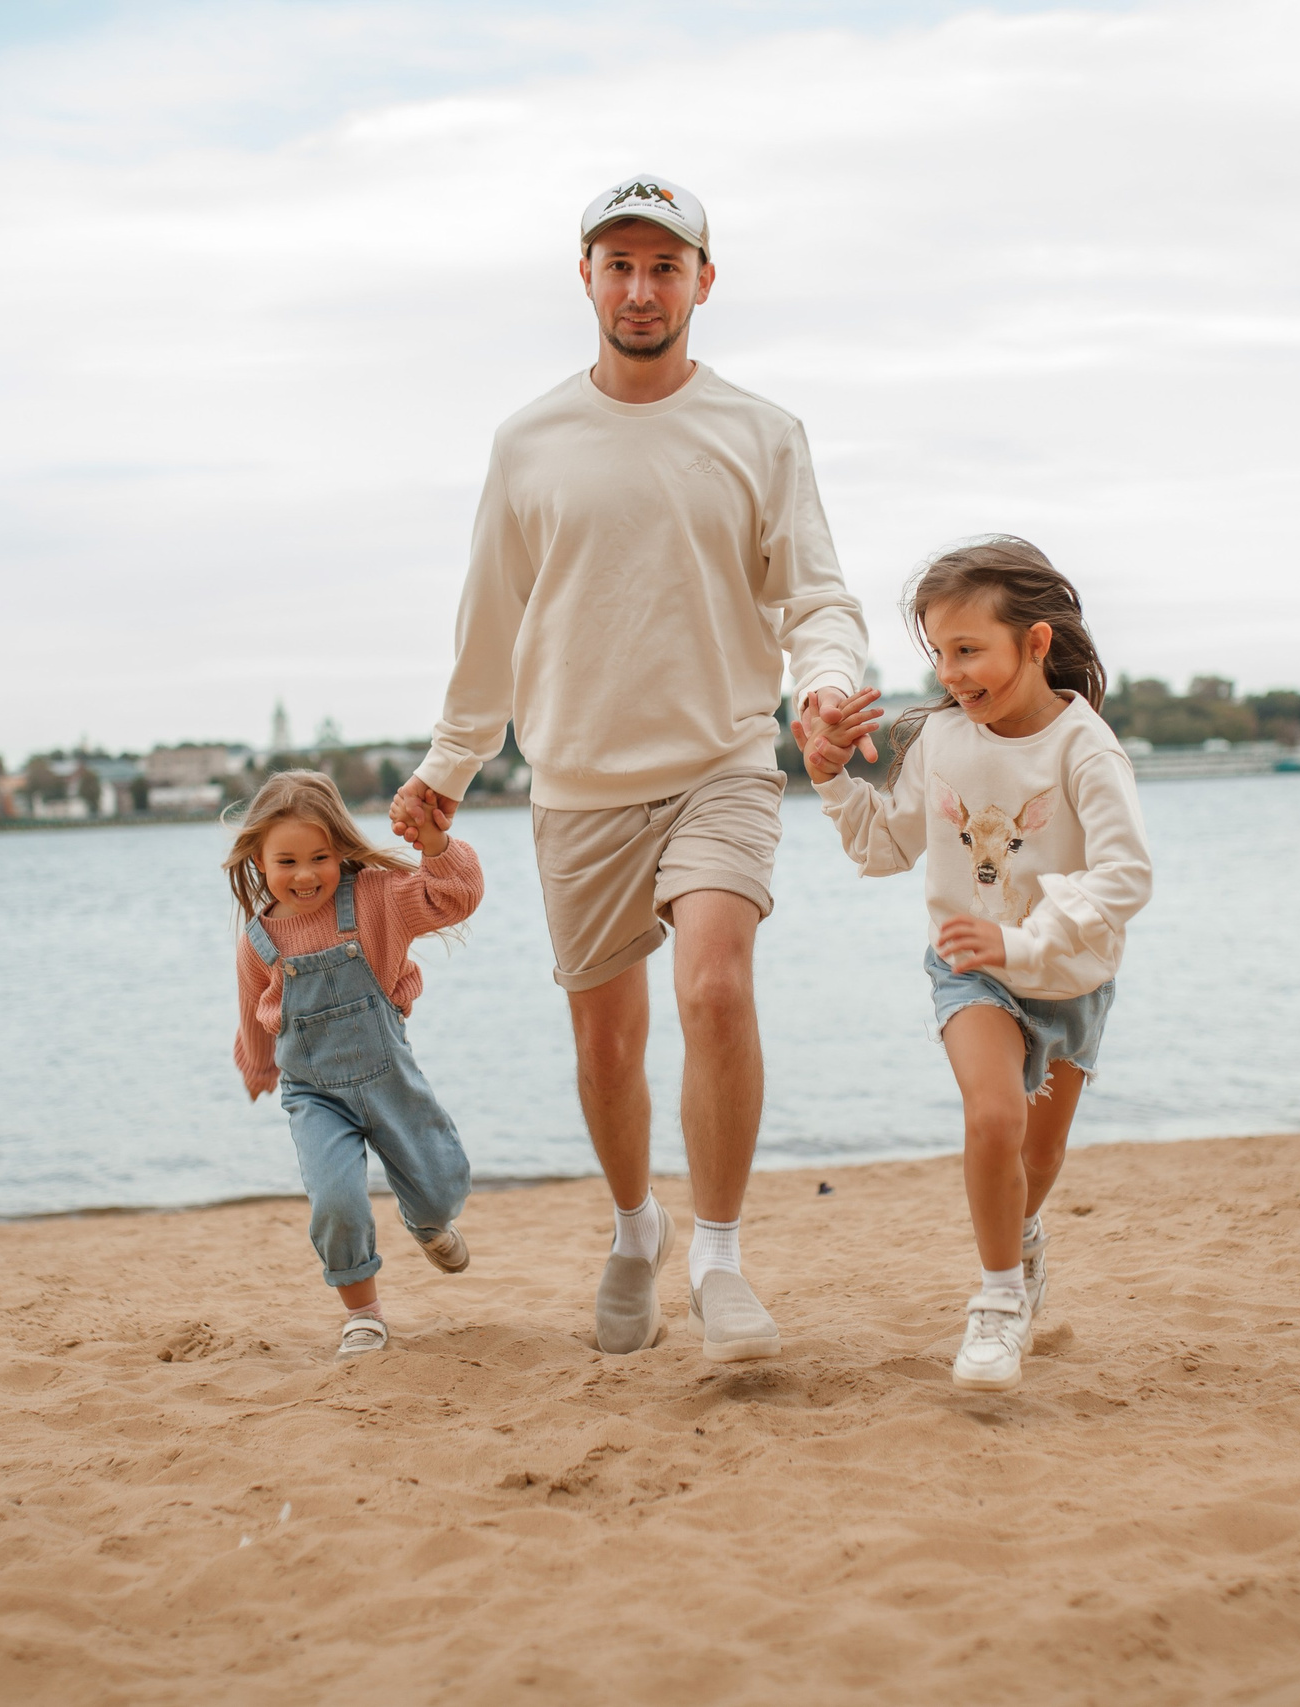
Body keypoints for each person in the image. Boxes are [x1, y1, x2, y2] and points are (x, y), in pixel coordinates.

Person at [389, 175, 871, 1362]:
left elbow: (813, 594)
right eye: (620, 265)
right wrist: (451, 764)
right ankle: (633, 1226)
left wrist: (822, 687)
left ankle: (717, 1258)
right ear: (587, 277)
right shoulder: (529, 441)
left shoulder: (762, 433)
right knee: (605, 1047)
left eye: (666, 266)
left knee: (713, 989)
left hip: (721, 760)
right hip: (579, 784)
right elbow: (489, 624)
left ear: (704, 280)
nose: (642, 288)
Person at [794, 536, 1152, 1391]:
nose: (952, 674)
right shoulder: (941, 741)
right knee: (995, 1119)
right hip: (970, 967)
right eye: (939, 652)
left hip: (1070, 977)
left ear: (1034, 643)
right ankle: (996, 1305)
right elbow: (886, 848)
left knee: (1035, 1160)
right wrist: (832, 777)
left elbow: (1125, 876)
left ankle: (1022, 1243)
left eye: (969, 650)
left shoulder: (1084, 748)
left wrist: (1028, 940)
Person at [229, 771, 484, 1360]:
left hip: (388, 1076)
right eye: (286, 860)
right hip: (314, 1094)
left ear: (340, 848)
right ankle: (363, 1314)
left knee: (443, 1188)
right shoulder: (260, 940)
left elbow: (457, 896)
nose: (304, 873)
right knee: (336, 1202)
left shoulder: (376, 897)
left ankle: (428, 1225)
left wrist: (436, 845)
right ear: (259, 862)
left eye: (320, 856)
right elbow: (253, 1004)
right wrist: (259, 1064)